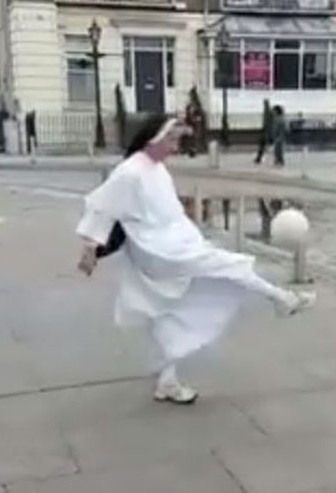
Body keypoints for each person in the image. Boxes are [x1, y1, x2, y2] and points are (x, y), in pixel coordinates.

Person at [75, 115, 316, 405]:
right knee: (230, 266)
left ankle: (167, 381)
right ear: (155, 138)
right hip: (162, 250)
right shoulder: (130, 172)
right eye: (173, 139)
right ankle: (283, 299)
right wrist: (90, 249)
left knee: (166, 312)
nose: (176, 147)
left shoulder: (154, 169)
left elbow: (164, 208)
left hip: (172, 244)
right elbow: (102, 208)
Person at [254, 99, 273, 165]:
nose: (264, 105)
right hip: (265, 132)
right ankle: (259, 158)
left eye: (265, 104)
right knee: (262, 145)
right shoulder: (267, 112)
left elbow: (269, 123)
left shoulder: (269, 112)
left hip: (267, 132)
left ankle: (259, 158)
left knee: (263, 145)